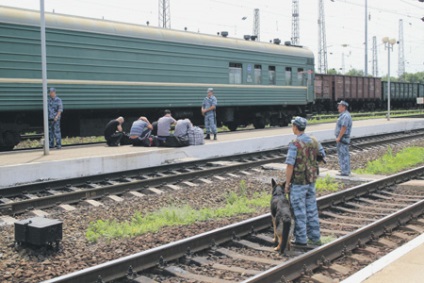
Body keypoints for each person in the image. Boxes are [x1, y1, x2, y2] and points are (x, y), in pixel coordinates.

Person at [284, 116, 326, 246]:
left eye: (293, 126)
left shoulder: (295, 144)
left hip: (298, 182)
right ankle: (314, 237)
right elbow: (322, 156)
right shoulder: (314, 141)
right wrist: (310, 166)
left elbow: (290, 165)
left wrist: (287, 184)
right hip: (311, 180)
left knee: (298, 211)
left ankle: (301, 239)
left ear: (295, 127)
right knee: (311, 209)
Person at [335, 100, 353, 176]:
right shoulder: (344, 115)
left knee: (343, 154)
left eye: (339, 106)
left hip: (343, 138)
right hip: (343, 138)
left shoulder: (345, 116)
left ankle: (345, 172)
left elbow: (344, 127)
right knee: (342, 154)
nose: (338, 107)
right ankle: (344, 170)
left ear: (344, 107)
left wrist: (339, 137)